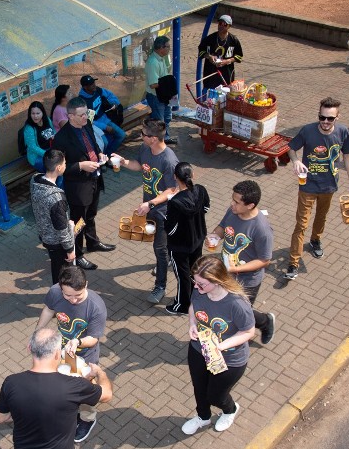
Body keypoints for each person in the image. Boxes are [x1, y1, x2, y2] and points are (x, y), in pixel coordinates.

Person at [285, 97, 349, 281]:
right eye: (322, 117)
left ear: (337, 117)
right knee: (301, 224)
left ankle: (316, 239)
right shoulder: (308, 130)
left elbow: (347, 156)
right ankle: (294, 262)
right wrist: (296, 161)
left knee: (321, 216)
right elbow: (291, 148)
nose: (325, 122)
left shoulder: (342, 132)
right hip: (307, 186)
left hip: (329, 186)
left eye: (330, 118)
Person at [181, 255, 255, 436]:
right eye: (194, 282)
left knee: (215, 395)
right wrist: (192, 324)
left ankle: (230, 410)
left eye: (201, 284)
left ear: (217, 281)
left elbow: (248, 332)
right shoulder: (200, 291)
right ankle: (203, 417)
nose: (196, 287)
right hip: (199, 349)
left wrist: (220, 346)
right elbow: (193, 307)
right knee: (199, 387)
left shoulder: (236, 304)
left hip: (229, 359)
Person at [34, 266, 107, 442]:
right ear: (60, 288)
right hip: (61, 351)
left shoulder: (96, 307)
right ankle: (70, 412)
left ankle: (87, 420)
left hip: (85, 356)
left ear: (86, 285)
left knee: (83, 391)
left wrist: (77, 342)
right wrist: (36, 334)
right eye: (68, 296)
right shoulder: (54, 292)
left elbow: (94, 339)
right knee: (62, 385)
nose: (73, 300)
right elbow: (48, 310)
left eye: (78, 295)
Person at [113, 119, 178, 305]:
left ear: (153, 138)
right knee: (159, 246)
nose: (140, 136)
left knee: (160, 248)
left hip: (164, 211)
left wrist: (150, 203)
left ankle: (160, 286)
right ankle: (165, 261)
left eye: (143, 134)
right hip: (150, 206)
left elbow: (172, 190)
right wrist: (123, 161)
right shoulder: (145, 149)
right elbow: (138, 165)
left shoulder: (169, 160)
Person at [207, 180, 276, 344]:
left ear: (250, 205)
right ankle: (261, 322)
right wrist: (214, 236)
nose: (232, 204)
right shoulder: (233, 212)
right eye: (233, 199)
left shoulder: (262, 229)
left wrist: (238, 268)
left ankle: (265, 323)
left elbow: (265, 260)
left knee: (238, 312)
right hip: (226, 272)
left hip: (247, 280)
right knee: (229, 307)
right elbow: (222, 227)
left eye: (237, 202)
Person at [52, 97, 116, 271]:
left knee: (91, 214)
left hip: (95, 178)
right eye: (81, 115)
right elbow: (58, 168)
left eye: (86, 113)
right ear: (70, 116)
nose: (85, 118)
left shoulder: (86, 125)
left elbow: (94, 146)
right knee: (78, 221)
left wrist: (100, 155)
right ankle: (77, 254)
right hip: (78, 187)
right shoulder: (61, 138)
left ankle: (93, 242)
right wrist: (81, 166)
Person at [165, 162, 210, 316]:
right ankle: (197, 295)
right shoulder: (201, 190)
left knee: (183, 276)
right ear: (192, 175)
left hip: (180, 247)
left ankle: (182, 305)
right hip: (198, 240)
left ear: (175, 177)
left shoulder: (175, 202)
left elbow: (170, 229)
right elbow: (205, 209)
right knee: (195, 270)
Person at [31, 149, 75, 284]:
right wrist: (70, 249)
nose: (66, 165)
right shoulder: (56, 198)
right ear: (59, 167)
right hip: (57, 242)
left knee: (56, 266)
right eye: (65, 163)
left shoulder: (35, 179)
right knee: (61, 272)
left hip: (45, 234)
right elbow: (61, 229)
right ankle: (60, 295)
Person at [78, 75, 126, 154]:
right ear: (85, 87)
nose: (94, 85)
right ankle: (102, 158)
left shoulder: (98, 90)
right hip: (94, 125)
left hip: (105, 118)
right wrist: (105, 127)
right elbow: (89, 121)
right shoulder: (83, 101)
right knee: (104, 142)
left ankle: (108, 155)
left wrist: (114, 103)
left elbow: (110, 95)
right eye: (91, 84)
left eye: (94, 82)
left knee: (121, 135)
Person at [145, 35, 178, 144]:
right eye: (168, 46)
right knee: (159, 122)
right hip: (156, 97)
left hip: (164, 95)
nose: (169, 49)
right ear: (160, 48)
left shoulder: (162, 58)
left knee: (167, 118)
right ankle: (157, 143)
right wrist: (168, 84)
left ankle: (165, 138)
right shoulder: (152, 62)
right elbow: (153, 84)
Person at [198, 14, 243, 91]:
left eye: (224, 24)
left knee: (224, 100)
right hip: (210, 75)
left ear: (229, 26)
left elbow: (239, 56)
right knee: (207, 100)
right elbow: (201, 51)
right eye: (220, 23)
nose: (221, 26)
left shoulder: (234, 40)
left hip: (226, 77)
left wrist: (227, 61)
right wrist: (209, 56)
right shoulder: (210, 39)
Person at [23, 101, 55, 173]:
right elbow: (33, 147)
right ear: (30, 114)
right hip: (37, 156)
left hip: (50, 151)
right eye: (33, 113)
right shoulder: (29, 128)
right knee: (54, 169)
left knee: (62, 163)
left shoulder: (47, 120)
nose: (35, 116)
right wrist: (47, 154)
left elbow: (53, 131)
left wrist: (54, 136)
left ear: (42, 113)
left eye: (38, 113)